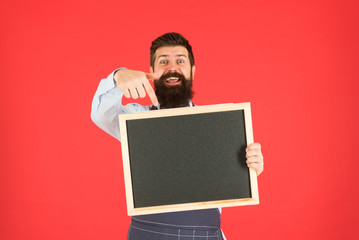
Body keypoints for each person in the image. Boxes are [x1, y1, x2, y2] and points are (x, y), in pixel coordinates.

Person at [91, 32, 264, 240]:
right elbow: (101, 113)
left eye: (180, 61)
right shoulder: (135, 118)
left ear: (192, 71)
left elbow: (232, 180)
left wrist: (250, 168)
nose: (172, 68)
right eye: (163, 61)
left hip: (204, 233)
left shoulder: (218, 127)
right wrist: (118, 76)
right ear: (151, 72)